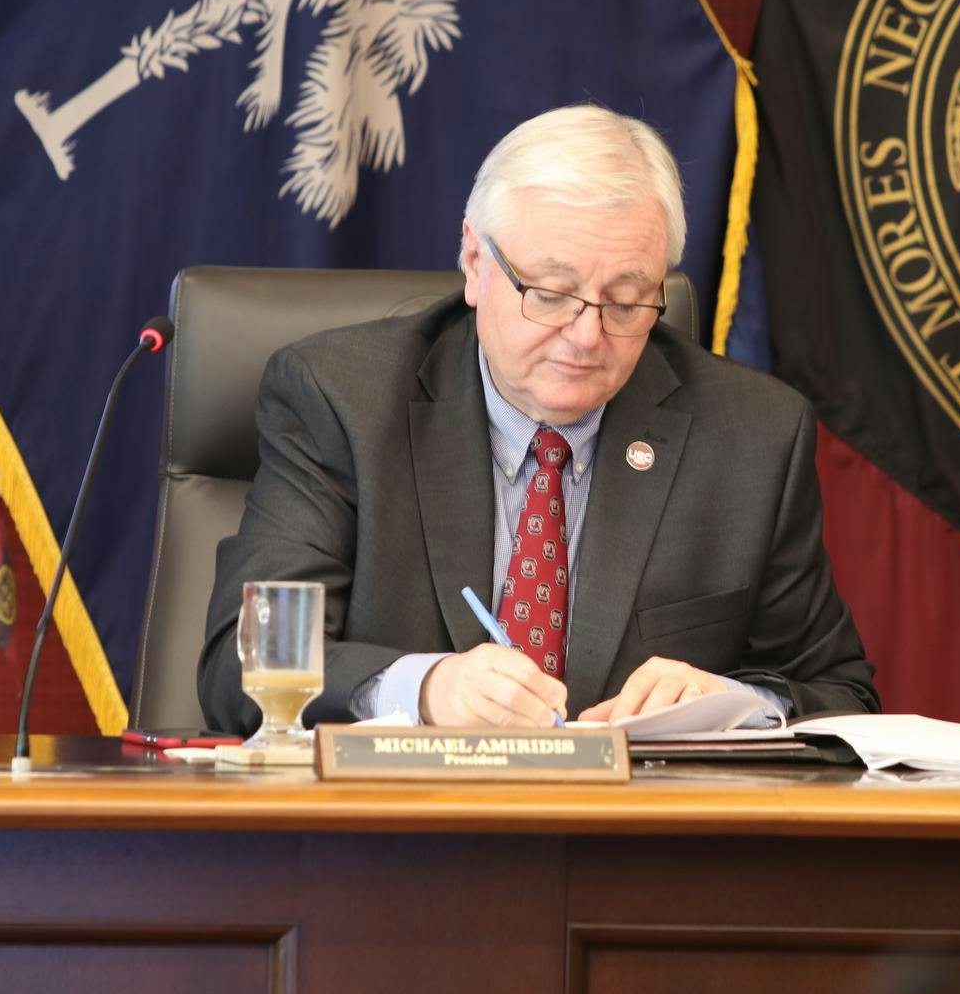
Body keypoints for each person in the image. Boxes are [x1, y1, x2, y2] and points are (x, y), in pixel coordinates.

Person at [198, 105, 878, 731]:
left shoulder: (751, 435)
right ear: (475, 262)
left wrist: (730, 702)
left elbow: (839, 690)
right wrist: (426, 689)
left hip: (638, 823)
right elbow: (241, 666)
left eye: (626, 300)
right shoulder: (340, 401)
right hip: (399, 817)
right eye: (551, 294)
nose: (586, 336)